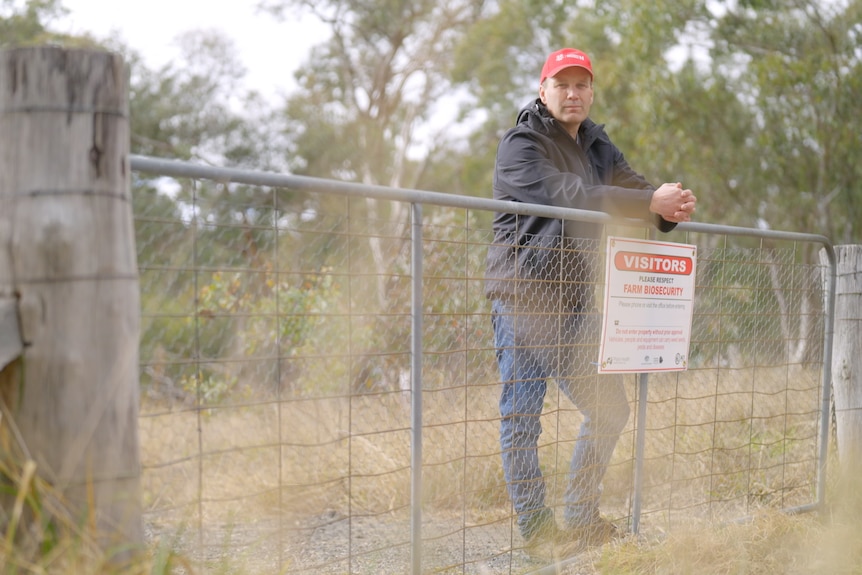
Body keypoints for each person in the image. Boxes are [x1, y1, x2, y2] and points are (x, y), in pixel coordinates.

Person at [485, 48, 697, 551]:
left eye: (582, 84)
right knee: (522, 419)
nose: (573, 93)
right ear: (543, 91)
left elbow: (633, 189)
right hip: (523, 297)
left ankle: (580, 518)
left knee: (609, 410)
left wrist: (668, 208)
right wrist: (647, 202)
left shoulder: (598, 144)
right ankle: (539, 537)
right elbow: (567, 194)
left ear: (591, 92)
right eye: (562, 84)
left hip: (573, 303)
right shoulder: (521, 143)